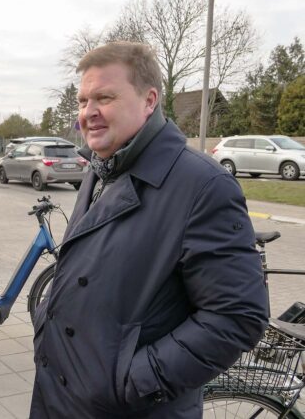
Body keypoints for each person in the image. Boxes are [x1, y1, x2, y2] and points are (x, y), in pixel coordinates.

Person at [30, 42, 268, 418]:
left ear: (149, 100)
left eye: (104, 97)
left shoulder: (202, 185)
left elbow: (237, 316)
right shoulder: (100, 167)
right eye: (82, 101)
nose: (88, 113)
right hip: (61, 391)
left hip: (126, 406)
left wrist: (136, 379)